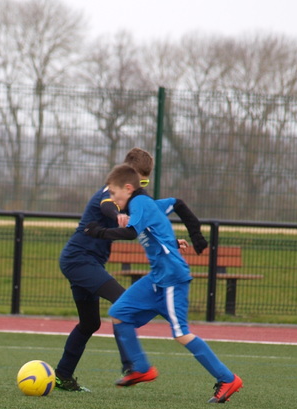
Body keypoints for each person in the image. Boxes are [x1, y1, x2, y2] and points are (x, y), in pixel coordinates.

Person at [83, 163, 243, 403]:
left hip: (171, 279)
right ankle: (141, 368)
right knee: (119, 313)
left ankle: (228, 378)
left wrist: (98, 232)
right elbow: (174, 207)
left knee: (181, 334)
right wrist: (187, 237)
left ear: (128, 188)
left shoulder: (139, 203)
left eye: (114, 193)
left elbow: (131, 233)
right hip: (157, 279)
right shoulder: (147, 204)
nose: (113, 199)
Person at [53, 147, 207, 392]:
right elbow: (107, 206)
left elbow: (145, 226)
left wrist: (170, 242)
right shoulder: (109, 192)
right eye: (136, 180)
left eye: (143, 182)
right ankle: (132, 366)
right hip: (78, 260)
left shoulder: (132, 201)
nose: (138, 186)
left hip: (87, 263)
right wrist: (117, 215)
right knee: (123, 304)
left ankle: (62, 375)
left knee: (90, 323)